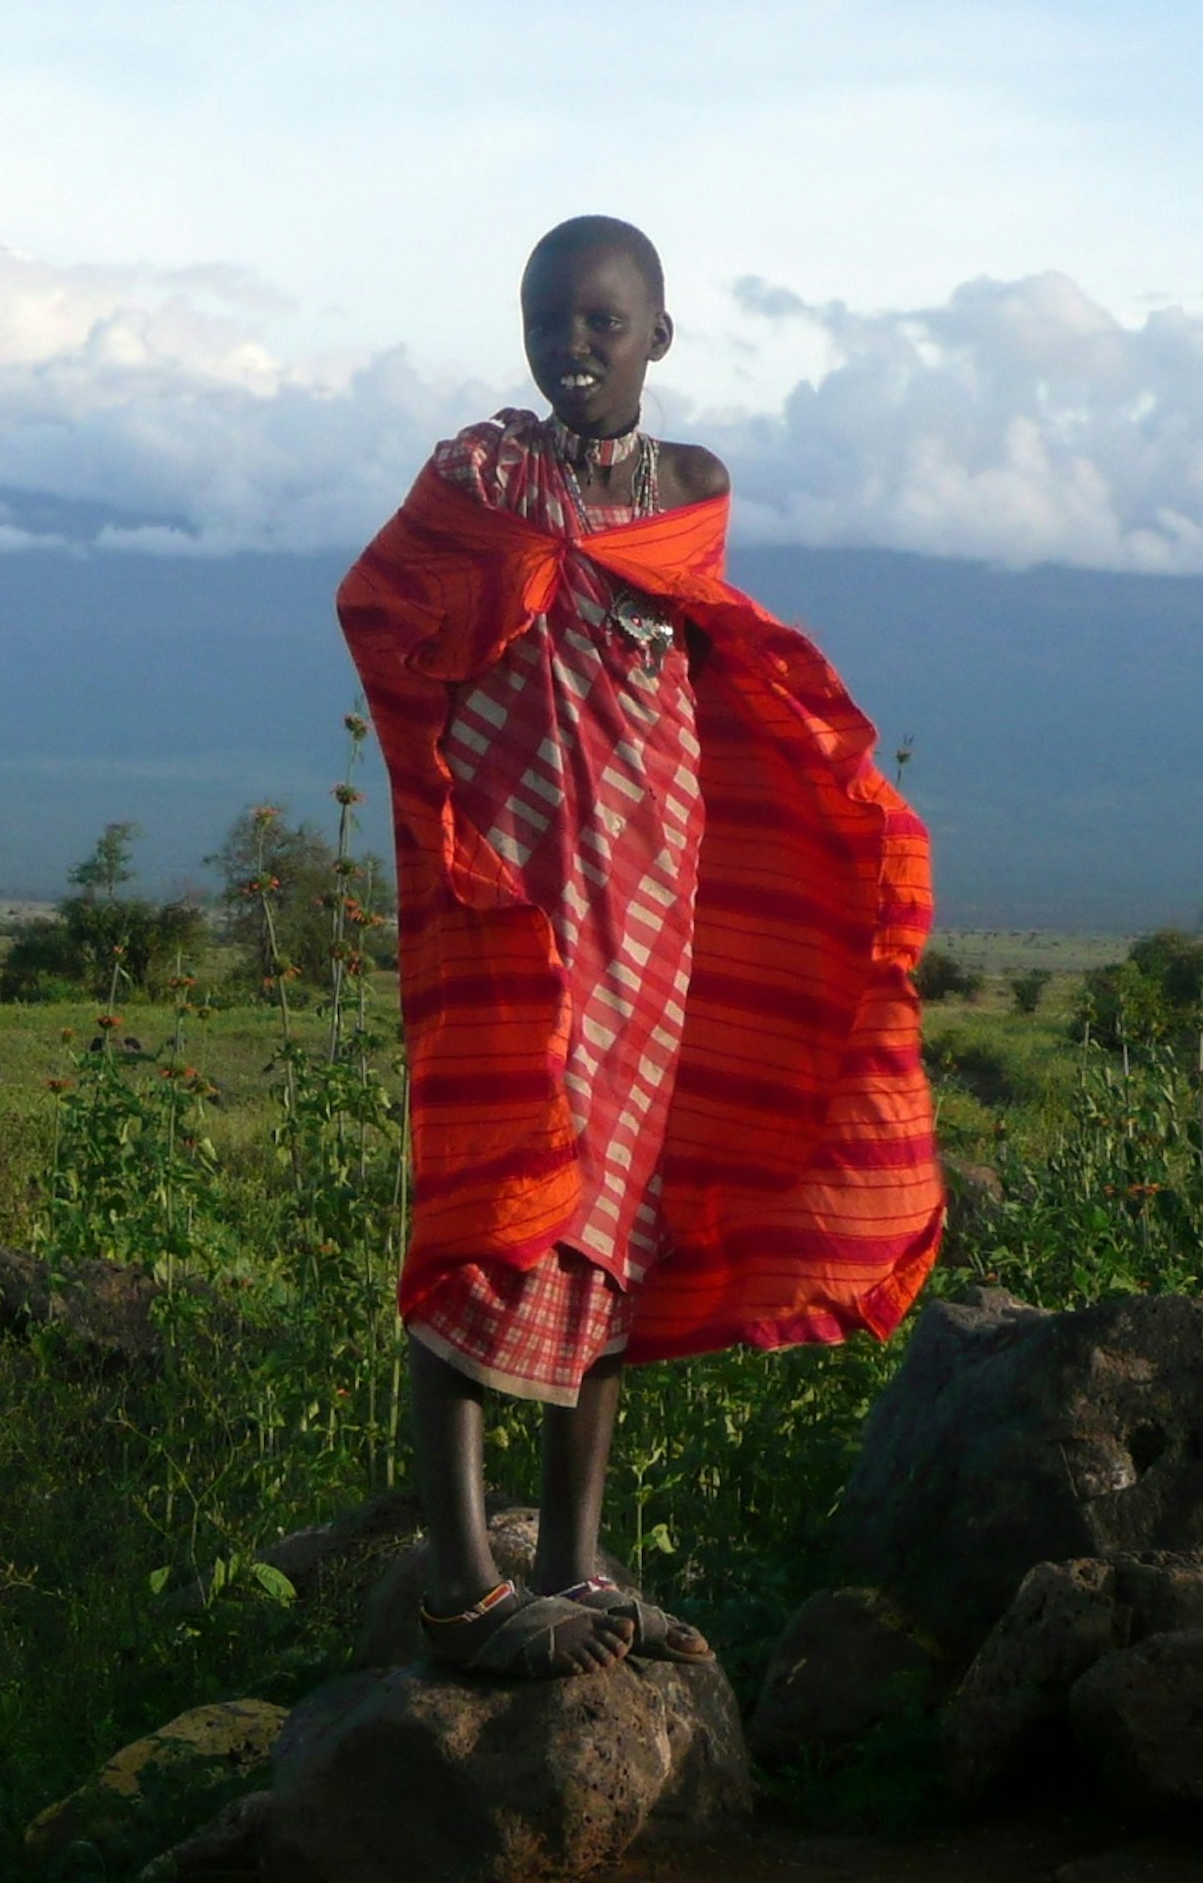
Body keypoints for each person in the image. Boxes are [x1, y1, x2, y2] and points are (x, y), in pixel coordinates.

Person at [338, 215, 941, 1680]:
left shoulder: (692, 492)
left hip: (655, 891)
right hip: (515, 906)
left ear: (658, 338)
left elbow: (706, 635)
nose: (574, 349)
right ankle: (458, 1587)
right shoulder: (482, 481)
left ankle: (572, 1558)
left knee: (618, 1216)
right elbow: (381, 599)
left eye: (604, 323)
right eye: (551, 323)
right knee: (493, 1198)